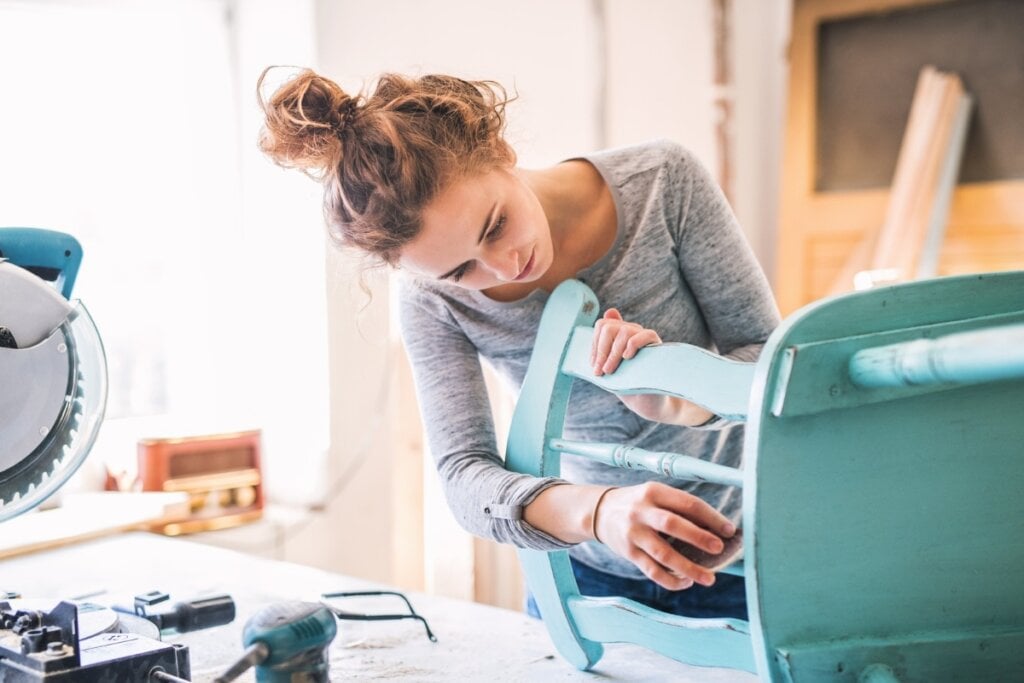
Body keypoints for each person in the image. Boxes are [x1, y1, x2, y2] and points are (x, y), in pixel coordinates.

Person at [257, 67, 781, 621]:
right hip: (582, 581)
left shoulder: (662, 182)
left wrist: (678, 399)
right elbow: (463, 476)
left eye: (495, 225)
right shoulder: (432, 300)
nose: (505, 265)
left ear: (499, 151)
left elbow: (768, 358)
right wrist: (598, 512)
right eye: (462, 269)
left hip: (750, 561)